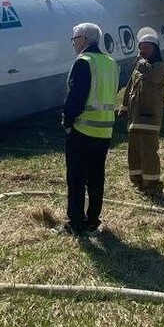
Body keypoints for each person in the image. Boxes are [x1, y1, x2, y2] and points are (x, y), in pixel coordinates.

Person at [61, 22, 119, 235]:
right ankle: (93, 221)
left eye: (74, 39)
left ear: (84, 40)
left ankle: (75, 223)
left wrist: (67, 123)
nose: (74, 43)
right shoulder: (111, 63)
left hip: (82, 131)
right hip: (104, 132)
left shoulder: (84, 62)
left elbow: (76, 97)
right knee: (96, 178)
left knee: (76, 179)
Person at [119, 27, 164, 196]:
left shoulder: (159, 67)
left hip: (149, 119)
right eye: (141, 47)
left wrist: (140, 63)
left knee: (148, 152)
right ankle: (138, 180)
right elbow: (129, 89)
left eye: (147, 47)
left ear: (155, 50)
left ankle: (152, 185)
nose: (143, 50)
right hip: (135, 119)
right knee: (134, 151)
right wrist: (124, 107)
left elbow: (154, 77)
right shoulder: (138, 70)